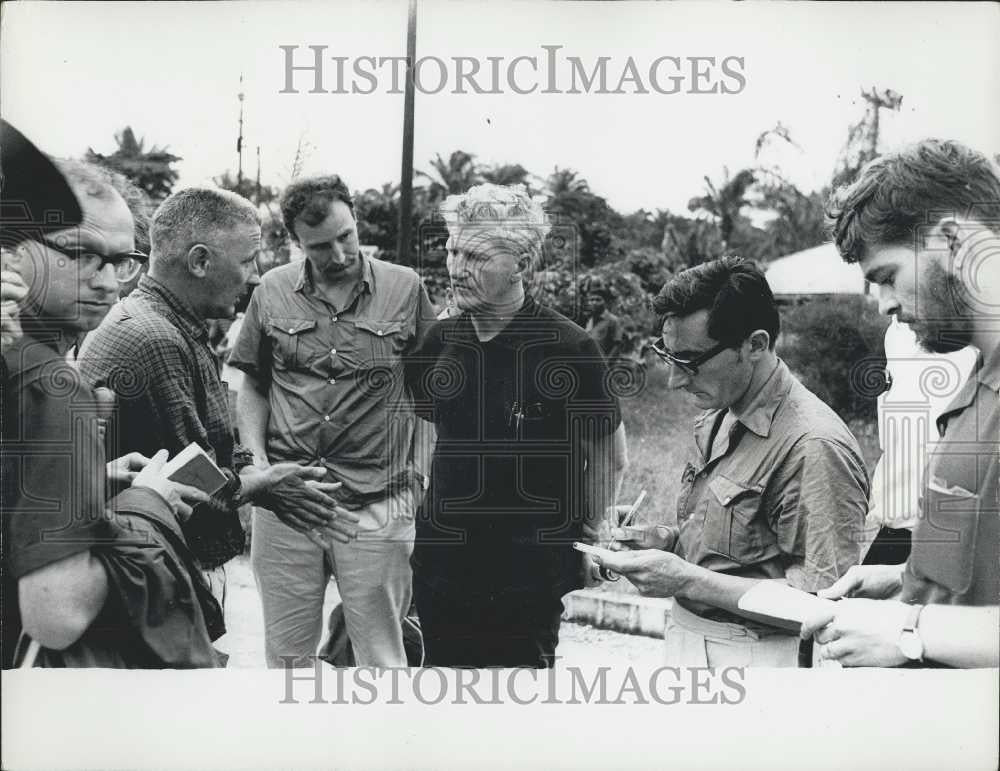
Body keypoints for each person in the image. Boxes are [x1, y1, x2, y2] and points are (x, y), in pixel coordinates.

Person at [78, 187, 353, 613]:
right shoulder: (155, 339)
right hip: (162, 575)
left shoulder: (165, 322)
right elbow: (197, 480)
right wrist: (262, 482)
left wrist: (252, 472)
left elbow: (212, 442)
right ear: (200, 261)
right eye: (247, 260)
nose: (257, 274)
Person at [2, 157, 222, 668]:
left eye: (123, 261)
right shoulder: (55, 387)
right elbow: (56, 614)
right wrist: (147, 504)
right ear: (15, 253)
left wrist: (92, 483)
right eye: (82, 254)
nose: (110, 282)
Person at [598, 257, 870, 668]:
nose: (674, 380)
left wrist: (689, 579)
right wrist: (665, 542)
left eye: (690, 362)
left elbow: (823, 602)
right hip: (692, 639)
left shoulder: (813, 446)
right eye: (667, 356)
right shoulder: (720, 412)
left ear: (755, 345)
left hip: (762, 659)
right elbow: (735, 549)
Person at [407, 183, 628, 668]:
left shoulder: (568, 348)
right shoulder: (439, 341)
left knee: (514, 724)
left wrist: (592, 534)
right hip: (440, 569)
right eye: (452, 250)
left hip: (527, 576)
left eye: (476, 256)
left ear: (522, 265)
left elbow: (611, 455)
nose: (455, 267)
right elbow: (425, 438)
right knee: (441, 710)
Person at [801, 139, 999, 668]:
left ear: (953, 243)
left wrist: (912, 631)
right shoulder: (977, 380)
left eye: (888, 277)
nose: (887, 304)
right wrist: (905, 580)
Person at [229, 175, 434, 668]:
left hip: (378, 503)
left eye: (347, 237)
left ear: (356, 221)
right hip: (286, 506)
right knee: (286, 666)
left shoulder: (406, 288)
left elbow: (433, 395)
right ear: (295, 242)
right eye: (320, 246)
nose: (339, 256)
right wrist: (255, 466)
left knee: (382, 663)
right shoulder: (273, 290)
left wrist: (420, 480)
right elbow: (254, 385)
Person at [862, 318, 976, 565]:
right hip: (897, 531)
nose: (886, 302)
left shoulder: (979, 335)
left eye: (889, 279)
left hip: (957, 537)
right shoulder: (898, 331)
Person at [582, 278, 624, 361]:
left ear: (605, 302)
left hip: (605, 367)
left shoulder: (613, 320)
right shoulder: (589, 320)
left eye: (598, 300)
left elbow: (617, 345)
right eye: (591, 300)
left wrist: (606, 364)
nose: (594, 302)